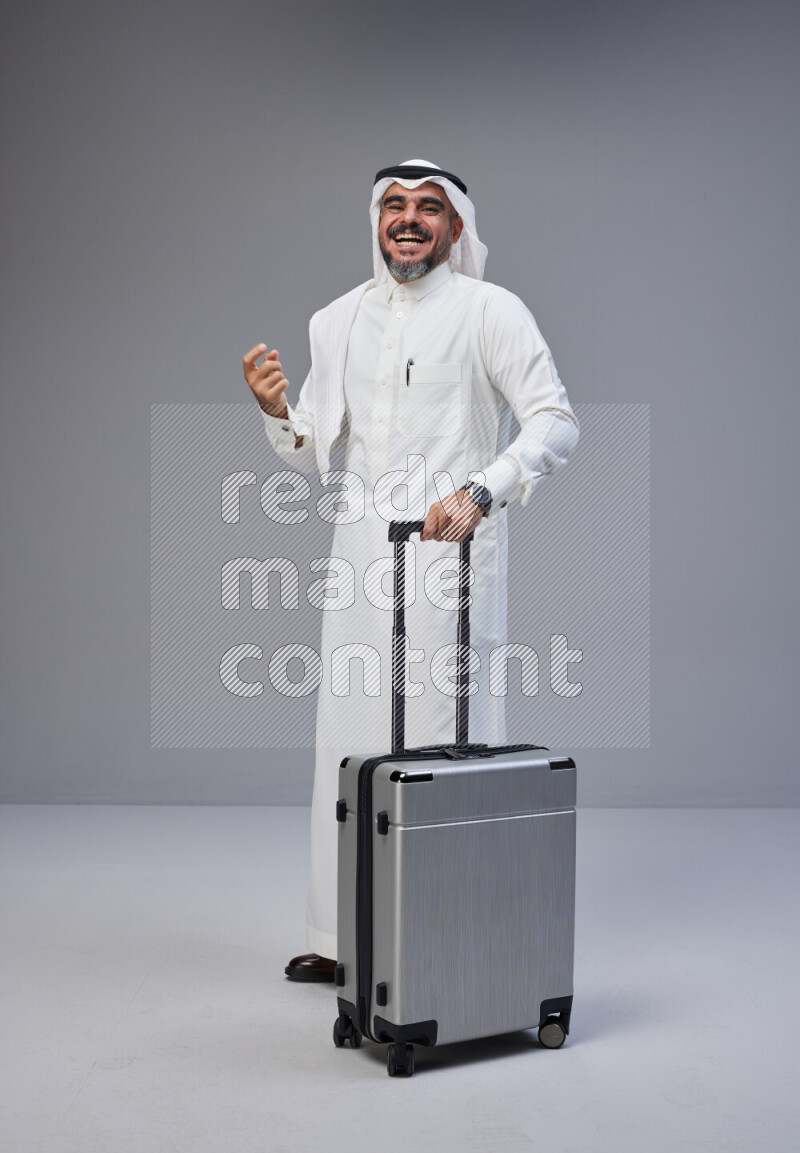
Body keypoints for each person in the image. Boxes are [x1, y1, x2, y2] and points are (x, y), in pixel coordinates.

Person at [243, 159, 579, 981]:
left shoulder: (489, 312)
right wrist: (277, 411)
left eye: (429, 208)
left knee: (440, 741)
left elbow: (556, 422)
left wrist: (484, 490)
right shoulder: (338, 319)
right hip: (359, 559)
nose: (409, 219)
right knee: (349, 744)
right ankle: (343, 938)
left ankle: (439, 938)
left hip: (450, 562)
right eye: (394, 205)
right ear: (376, 220)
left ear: (456, 228)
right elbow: (314, 440)